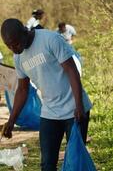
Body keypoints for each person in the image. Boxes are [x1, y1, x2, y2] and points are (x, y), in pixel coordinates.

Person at [1, 18, 91, 171]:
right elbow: (22, 89)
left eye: (15, 43)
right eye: (8, 46)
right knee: (47, 164)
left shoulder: (50, 39)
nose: (13, 49)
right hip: (50, 112)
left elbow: (72, 71)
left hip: (74, 109)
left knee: (75, 161)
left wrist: (79, 105)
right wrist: (12, 120)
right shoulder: (18, 57)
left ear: (25, 32)